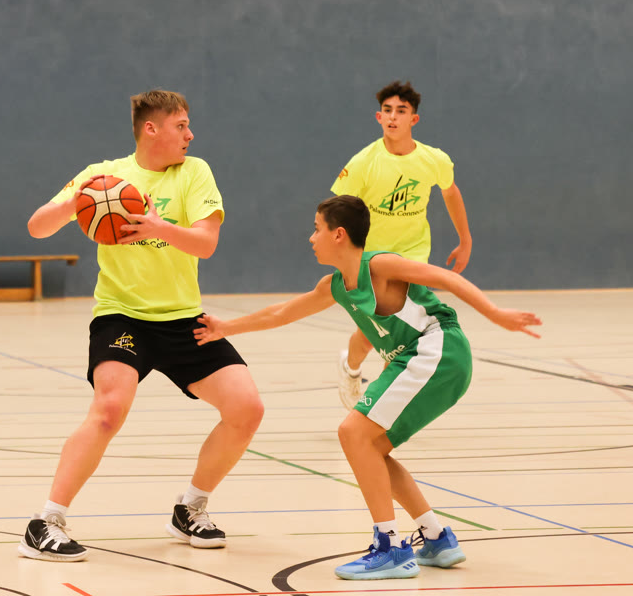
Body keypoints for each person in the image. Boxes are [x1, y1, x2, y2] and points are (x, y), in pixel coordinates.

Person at [194, 195, 541, 579]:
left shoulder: (380, 265)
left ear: (338, 234)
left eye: (317, 228)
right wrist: (226, 327)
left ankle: (390, 548)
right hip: (420, 359)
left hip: (438, 349)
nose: (311, 237)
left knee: (353, 433)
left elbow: (446, 278)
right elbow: (282, 312)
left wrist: (496, 313)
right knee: (371, 447)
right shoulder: (335, 285)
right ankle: (436, 537)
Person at [19, 90, 264, 561]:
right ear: (151, 128)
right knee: (110, 409)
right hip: (122, 315)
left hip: (183, 319)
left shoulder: (195, 172)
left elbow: (206, 243)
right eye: (181, 126)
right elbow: (37, 227)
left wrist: (158, 228)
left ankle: (190, 508)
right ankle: (44, 522)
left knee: (247, 408)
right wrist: (80, 201)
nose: (190, 135)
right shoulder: (102, 175)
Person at [331, 80, 472, 409]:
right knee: (374, 333)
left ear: (414, 119)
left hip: (412, 256)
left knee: (401, 334)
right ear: (379, 117)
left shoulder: (433, 159)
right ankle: (350, 368)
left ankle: (379, 405)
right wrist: (342, 255)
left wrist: (465, 240)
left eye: (401, 111)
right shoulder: (364, 162)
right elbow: (337, 211)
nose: (393, 116)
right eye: (387, 110)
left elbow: (450, 191)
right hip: (372, 258)